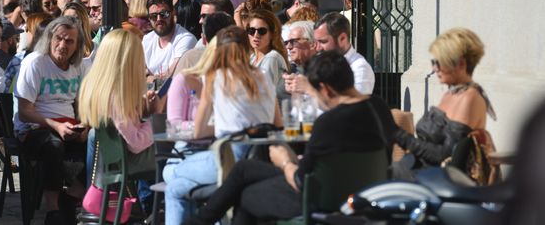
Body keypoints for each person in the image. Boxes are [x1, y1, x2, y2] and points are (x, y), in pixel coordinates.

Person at [185, 50, 397, 225]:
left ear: (325, 89)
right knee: (244, 169)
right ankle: (198, 222)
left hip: (320, 197)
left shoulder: (328, 122)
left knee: (247, 195)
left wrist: (285, 161)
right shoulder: (380, 108)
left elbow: (299, 181)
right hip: (362, 189)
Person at [164, 26, 281, 225]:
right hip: (260, 159)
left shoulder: (215, 78)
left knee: (172, 175)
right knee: (178, 186)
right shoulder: (263, 77)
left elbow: (199, 130)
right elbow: (278, 124)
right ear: (247, 50)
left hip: (227, 159)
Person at [14, 17, 90, 225]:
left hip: (68, 125)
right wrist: (56, 125)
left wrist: (85, 127)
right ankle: (54, 210)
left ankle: (76, 193)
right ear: (49, 38)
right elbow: (24, 112)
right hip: (35, 128)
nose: (62, 45)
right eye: (59, 39)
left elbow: (83, 105)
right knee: (53, 145)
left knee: (98, 140)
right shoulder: (35, 62)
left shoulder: (79, 67)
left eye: (69, 41)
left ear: (78, 46)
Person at [392, 27, 496, 179]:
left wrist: (400, 136)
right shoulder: (451, 93)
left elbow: (446, 155)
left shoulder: (470, 98)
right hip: (421, 172)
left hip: (437, 181)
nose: (434, 69)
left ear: (461, 64)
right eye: (433, 62)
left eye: (439, 63)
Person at [77, 29, 157, 178]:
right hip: (128, 162)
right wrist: (156, 122)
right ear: (129, 62)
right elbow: (136, 143)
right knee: (177, 155)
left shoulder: (100, 88)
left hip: (117, 162)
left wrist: (145, 111)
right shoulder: (116, 97)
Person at [285, 12, 375, 98]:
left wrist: (309, 89)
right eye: (316, 42)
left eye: (323, 42)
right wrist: (296, 91)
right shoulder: (322, 64)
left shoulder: (360, 68)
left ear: (342, 39)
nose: (318, 48)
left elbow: (353, 107)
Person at [142, 0, 197, 79]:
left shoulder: (185, 39)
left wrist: (149, 78)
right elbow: (138, 73)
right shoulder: (147, 40)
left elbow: (171, 76)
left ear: (173, 13)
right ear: (149, 18)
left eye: (164, 14)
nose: (159, 19)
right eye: (154, 16)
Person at [3, 13, 53, 93]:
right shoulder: (61, 58)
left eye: (27, 30)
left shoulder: (19, 59)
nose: (25, 33)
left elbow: (6, 89)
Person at [247, 9, 289, 87]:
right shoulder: (252, 58)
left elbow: (264, 93)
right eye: (251, 30)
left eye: (262, 31)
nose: (256, 35)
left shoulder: (272, 58)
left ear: (272, 34)